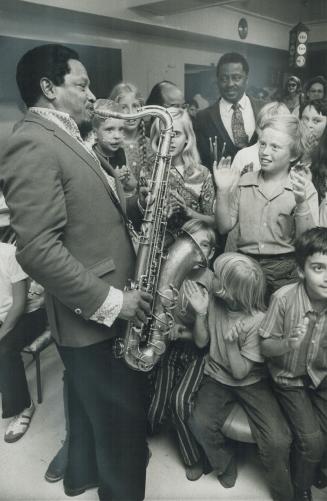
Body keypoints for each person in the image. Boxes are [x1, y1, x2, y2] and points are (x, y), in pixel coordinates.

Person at [0, 44, 152, 501]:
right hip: (94, 315)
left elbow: (85, 213)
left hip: (97, 306)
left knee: (94, 417)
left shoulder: (65, 134)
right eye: (82, 85)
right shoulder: (32, 140)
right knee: (123, 429)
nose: (92, 95)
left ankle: (82, 475)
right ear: (49, 89)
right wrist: (114, 302)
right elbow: (38, 250)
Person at [186, 252, 293, 501]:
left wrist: (231, 344)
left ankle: (284, 494)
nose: (213, 281)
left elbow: (240, 372)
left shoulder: (258, 320)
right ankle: (225, 464)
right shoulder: (212, 298)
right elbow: (201, 343)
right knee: (198, 422)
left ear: (233, 293)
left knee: (277, 440)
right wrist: (201, 314)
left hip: (251, 381)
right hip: (217, 375)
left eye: (219, 280)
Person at [214, 114, 319, 301]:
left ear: (293, 155)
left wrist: (301, 201)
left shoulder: (303, 186)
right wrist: (222, 191)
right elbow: (224, 226)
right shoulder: (245, 181)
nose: (264, 152)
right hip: (246, 268)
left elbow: (308, 241)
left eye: (275, 147)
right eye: (262, 144)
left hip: (285, 272)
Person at [260, 227, 327, 501]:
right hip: (289, 379)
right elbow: (265, 347)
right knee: (311, 441)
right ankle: (301, 487)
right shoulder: (283, 299)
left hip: (321, 376)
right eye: (319, 268)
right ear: (301, 270)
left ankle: (313, 467)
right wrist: (287, 343)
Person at [147, 220, 215, 477]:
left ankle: (194, 457)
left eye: (206, 245)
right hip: (172, 349)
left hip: (198, 354)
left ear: (212, 253)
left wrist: (197, 317)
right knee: (156, 407)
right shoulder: (171, 271)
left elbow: (201, 342)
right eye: (192, 242)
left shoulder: (210, 282)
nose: (198, 250)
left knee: (179, 402)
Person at [0, 242, 47, 443]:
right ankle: (8, 383)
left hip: (30, 313)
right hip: (4, 315)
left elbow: (19, 304)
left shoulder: (9, 254)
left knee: (4, 350)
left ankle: (23, 406)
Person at [150, 107, 216, 243]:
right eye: (165, 134)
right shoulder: (148, 171)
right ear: (158, 138)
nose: (170, 140)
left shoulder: (202, 173)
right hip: (158, 245)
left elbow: (214, 222)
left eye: (177, 134)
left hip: (193, 245)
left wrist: (189, 212)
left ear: (187, 137)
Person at [194, 52, 263, 170]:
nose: (230, 84)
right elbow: (203, 162)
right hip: (221, 186)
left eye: (236, 78)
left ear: (247, 79)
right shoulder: (203, 118)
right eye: (224, 78)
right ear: (217, 81)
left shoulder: (264, 109)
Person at [110, 82, 153, 186]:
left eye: (135, 106)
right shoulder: (111, 145)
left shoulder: (151, 145)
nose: (131, 113)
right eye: (124, 107)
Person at [92, 98, 138, 196]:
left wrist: (127, 178)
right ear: (94, 133)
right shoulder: (92, 155)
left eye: (121, 129)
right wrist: (113, 179)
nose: (117, 136)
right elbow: (94, 191)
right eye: (109, 130)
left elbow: (133, 185)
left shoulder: (121, 152)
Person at [231, 101, 290, 174]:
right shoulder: (243, 155)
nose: (269, 135)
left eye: (276, 130)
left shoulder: (288, 156)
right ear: (257, 127)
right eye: (263, 128)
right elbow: (232, 183)